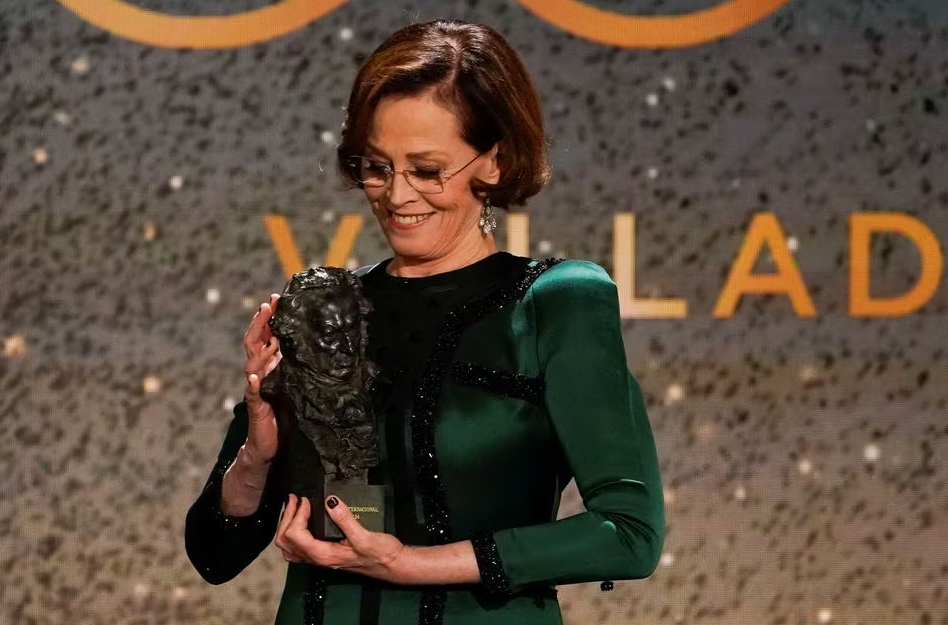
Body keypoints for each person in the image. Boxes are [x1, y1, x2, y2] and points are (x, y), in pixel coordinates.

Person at [185, 19, 665, 625]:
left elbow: (628, 534)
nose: (396, 195)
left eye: (427, 170)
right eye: (377, 167)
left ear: (496, 160)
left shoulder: (557, 300)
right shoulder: (326, 308)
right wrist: (257, 451)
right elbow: (214, 552)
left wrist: (412, 564)